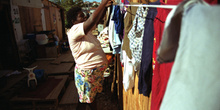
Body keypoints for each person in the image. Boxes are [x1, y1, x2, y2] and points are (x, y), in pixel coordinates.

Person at [66, 0, 112, 110]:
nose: (85, 18)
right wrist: (103, 3)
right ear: (73, 21)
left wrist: (105, 7)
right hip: (87, 74)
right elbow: (91, 20)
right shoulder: (74, 30)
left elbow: (96, 20)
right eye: (81, 16)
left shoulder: (85, 31)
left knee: (88, 99)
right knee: (86, 100)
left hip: (93, 73)